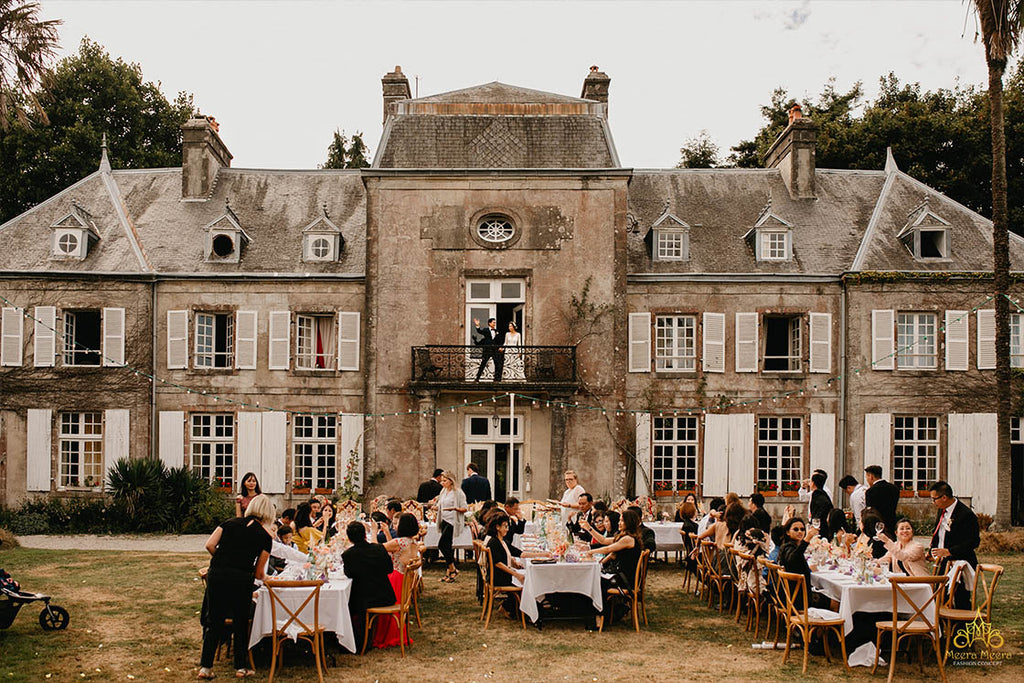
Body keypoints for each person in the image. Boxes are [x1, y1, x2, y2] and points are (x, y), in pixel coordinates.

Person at [197, 494, 274, 680]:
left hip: (218, 574)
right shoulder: (265, 536)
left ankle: (205, 667)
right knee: (241, 621)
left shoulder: (229, 523)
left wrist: (221, 558)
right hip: (241, 577)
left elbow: (209, 544)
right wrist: (269, 578)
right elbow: (259, 574)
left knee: (214, 619)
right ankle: (240, 667)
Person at [342, 521, 397, 653]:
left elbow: (349, 574)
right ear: (365, 535)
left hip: (362, 600)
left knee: (345, 604)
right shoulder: (379, 549)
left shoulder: (348, 555)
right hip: (385, 595)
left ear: (349, 539)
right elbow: (390, 569)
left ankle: (353, 639)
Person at [581, 508, 644, 624]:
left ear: (629, 523)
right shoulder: (623, 536)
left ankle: (600, 617)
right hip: (621, 575)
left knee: (594, 581)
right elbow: (604, 540)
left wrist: (588, 552)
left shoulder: (628, 539)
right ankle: (596, 613)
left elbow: (608, 549)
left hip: (625, 579)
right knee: (594, 578)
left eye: (622, 521)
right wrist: (588, 528)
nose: (619, 523)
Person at [372, 513, 423, 649]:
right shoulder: (413, 543)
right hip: (404, 581)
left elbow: (375, 550)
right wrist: (388, 533)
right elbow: (394, 550)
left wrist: (373, 532)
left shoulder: (399, 543)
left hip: (395, 579)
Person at [928, 480, 980, 609]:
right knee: (941, 598)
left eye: (934, 499)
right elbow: (939, 534)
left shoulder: (966, 515)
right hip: (943, 562)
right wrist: (932, 551)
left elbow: (973, 541)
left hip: (960, 562)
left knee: (960, 599)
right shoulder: (942, 510)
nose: (933, 502)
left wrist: (950, 551)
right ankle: (944, 627)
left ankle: (962, 628)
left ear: (944, 497)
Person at [777, 516, 831, 609]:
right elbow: (793, 559)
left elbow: (795, 566)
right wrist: (806, 540)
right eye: (796, 529)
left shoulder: (788, 547)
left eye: (802, 529)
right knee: (836, 601)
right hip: (798, 599)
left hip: (793, 595)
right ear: (787, 532)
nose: (800, 532)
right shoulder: (788, 548)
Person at [484, 512, 525, 616]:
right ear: (497, 527)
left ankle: (509, 607)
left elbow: (520, 553)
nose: (507, 529)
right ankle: (513, 609)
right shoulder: (494, 542)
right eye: (505, 527)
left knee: (526, 577)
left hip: (501, 576)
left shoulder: (502, 541)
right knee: (527, 581)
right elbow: (497, 563)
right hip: (500, 578)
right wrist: (516, 574)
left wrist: (544, 555)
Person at [437, 471, 468, 583]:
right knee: (447, 546)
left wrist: (455, 509)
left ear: (451, 481)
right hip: (444, 520)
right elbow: (440, 504)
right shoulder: (443, 491)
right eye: (442, 481)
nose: (442, 483)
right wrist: (436, 508)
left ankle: (453, 569)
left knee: (442, 545)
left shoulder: (458, 493)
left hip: (452, 521)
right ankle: (449, 572)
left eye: (445, 481)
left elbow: (465, 508)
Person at [863, 465, 899, 537]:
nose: (867, 479)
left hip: (877, 526)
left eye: (867, 477)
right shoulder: (894, 488)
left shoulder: (871, 491)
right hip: (891, 523)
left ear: (871, 476)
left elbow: (870, 512)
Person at [472, 317, 505, 381]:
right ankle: (477, 378)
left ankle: (496, 378)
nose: (494, 323)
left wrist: (500, 347)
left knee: (497, 363)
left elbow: (499, 340)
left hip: (495, 350)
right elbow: (479, 331)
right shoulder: (486, 330)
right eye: (493, 322)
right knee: (483, 363)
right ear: (489, 323)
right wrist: (477, 325)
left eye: (495, 322)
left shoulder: (497, 331)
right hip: (487, 350)